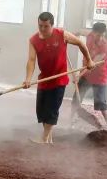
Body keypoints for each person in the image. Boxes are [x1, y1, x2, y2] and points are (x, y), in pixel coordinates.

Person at [24, 12, 92, 144]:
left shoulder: (62, 34)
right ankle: (48, 140)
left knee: (51, 110)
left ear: (52, 25)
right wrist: (28, 79)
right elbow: (31, 60)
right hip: (43, 80)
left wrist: (88, 60)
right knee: (42, 112)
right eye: (40, 26)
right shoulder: (33, 40)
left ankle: (43, 139)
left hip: (59, 80)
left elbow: (80, 43)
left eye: (46, 26)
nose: (43, 29)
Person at [70, 21, 107, 129]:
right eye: (98, 35)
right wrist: (66, 37)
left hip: (99, 76)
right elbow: (79, 32)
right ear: (93, 33)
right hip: (86, 75)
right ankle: (72, 120)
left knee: (100, 101)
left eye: (103, 35)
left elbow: (91, 65)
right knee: (76, 98)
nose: (101, 38)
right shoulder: (90, 35)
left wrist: (78, 76)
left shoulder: (105, 46)